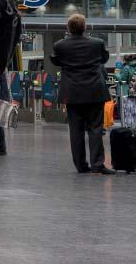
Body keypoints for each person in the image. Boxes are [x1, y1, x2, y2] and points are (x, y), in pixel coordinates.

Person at [50, 13, 115, 174]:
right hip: (94, 91)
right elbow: (104, 59)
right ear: (84, 27)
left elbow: (56, 61)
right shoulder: (97, 43)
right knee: (95, 128)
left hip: (72, 93)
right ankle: (97, 164)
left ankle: (81, 165)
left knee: (76, 129)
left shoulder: (60, 45)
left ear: (68, 28)